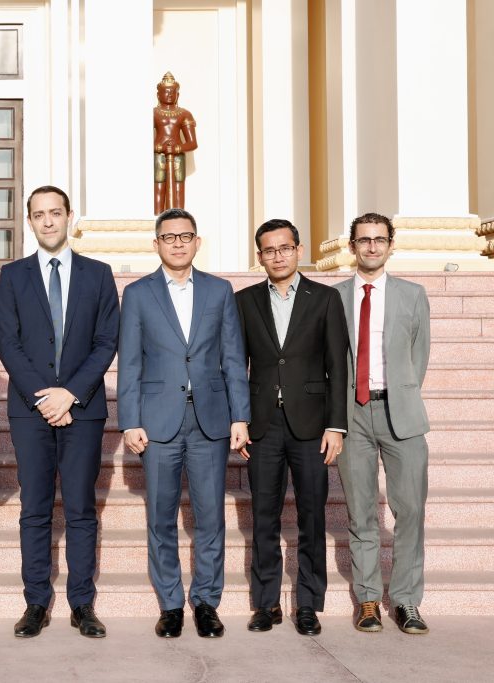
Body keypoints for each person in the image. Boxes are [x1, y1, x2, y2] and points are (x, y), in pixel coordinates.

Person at [118, 208, 250, 639]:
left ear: (197, 242)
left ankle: (206, 603)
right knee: (161, 518)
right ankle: (171, 604)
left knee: (210, 516)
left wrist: (240, 415)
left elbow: (233, 358)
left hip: (210, 419)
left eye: (185, 236)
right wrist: (130, 420)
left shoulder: (219, 290)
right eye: (169, 237)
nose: (177, 243)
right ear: (156, 243)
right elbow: (130, 361)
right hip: (158, 422)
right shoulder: (138, 294)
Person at [0, 185, 120, 639]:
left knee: (81, 508)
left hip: (82, 410)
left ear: (69, 216)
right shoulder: (12, 275)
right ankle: (36, 603)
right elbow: (8, 343)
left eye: (55, 212)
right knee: (35, 507)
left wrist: (70, 394)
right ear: (29, 220)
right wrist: (45, 398)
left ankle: (81, 604)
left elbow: (106, 341)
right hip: (30, 411)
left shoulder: (98, 274)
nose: (47, 221)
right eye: (39, 214)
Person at [235, 219, 348, 636]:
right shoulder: (244, 301)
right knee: (263, 515)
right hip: (262, 424)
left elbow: (338, 365)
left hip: (312, 425)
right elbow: (236, 365)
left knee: (312, 515)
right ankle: (266, 602)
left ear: (299, 250)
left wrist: (336, 425)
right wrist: (239, 418)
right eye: (269, 250)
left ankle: (308, 604)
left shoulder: (326, 298)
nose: (277, 256)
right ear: (259, 256)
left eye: (285, 248)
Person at [334, 213, 432, 635]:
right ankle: (369, 599)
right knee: (361, 512)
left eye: (379, 239)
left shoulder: (413, 294)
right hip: (351, 413)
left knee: (409, 510)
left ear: (391, 244)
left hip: (401, 413)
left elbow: (419, 354)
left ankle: (407, 600)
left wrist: (401, 394)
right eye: (363, 240)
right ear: (352, 246)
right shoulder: (334, 297)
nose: (371, 247)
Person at [153, 71, 198, 213]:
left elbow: (193, 143)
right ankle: (158, 219)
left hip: (178, 156)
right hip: (159, 155)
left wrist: (177, 148)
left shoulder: (184, 114)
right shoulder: (153, 113)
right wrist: (158, 147)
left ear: (178, 94)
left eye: (173, 92)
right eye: (166, 92)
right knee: (159, 188)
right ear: (158, 94)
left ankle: (178, 218)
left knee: (178, 189)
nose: (169, 95)